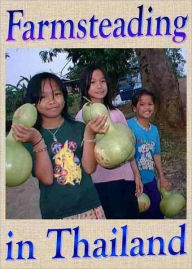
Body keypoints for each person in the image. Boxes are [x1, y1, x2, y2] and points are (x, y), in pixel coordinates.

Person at [11, 72, 108, 219]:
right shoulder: (29, 137)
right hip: (57, 213)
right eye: (43, 97)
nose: (52, 101)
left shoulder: (80, 128)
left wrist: (89, 135)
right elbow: (47, 179)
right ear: (32, 102)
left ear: (64, 96)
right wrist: (37, 140)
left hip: (89, 207)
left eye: (57, 94)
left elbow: (89, 168)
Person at [76, 65, 143, 219]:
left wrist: (136, 174)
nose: (99, 86)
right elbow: (85, 157)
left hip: (126, 179)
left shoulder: (117, 113)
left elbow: (129, 145)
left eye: (102, 81)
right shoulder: (81, 118)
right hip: (102, 183)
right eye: (93, 82)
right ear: (85, 87)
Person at [127, 89, 171, 219]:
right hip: (133, 182)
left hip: (150, 179)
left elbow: (156, 154)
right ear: (134, 108)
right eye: (142, 104)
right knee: (140, 215)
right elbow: (127, 153)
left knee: (157, 212)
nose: (147, 107)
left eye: (150, 104)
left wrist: (161, 177)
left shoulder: (154, 130)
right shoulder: (128, 126)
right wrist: (136, 177)